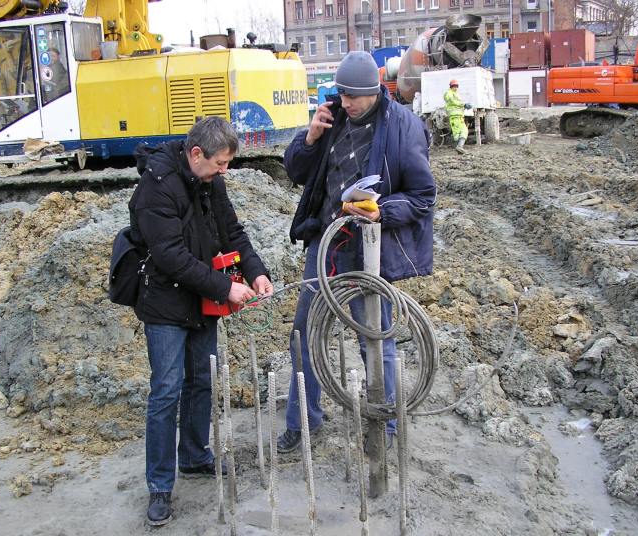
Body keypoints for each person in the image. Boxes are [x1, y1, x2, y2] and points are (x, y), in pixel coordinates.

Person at [277, 51, 436, 454]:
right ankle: (303, 421)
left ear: (375, 92)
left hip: (370, 247)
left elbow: (422, 196)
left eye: (355, 97)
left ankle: (385, 422)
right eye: (342, 94)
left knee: (375, 335)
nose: (346, 103)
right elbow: (296, 172)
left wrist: (381, 210)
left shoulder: (403, 126)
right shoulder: (330, 118)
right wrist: (309, 138)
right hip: (326, 243)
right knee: (306, 333)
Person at [128, 116, 274, 526]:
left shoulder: (211, 181)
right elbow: (171, 255)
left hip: (201, 300)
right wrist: (225, 288)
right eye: (220, 163)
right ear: (196, 154)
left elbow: (232, 232)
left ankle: (194, 456)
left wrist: (256, 270)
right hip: (164, 304)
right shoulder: (156, 187)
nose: (224, 171)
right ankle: (159, 485)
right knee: (166, 389)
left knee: (202, 380)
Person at [444, 79, 471, 154]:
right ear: (451, 86)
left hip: (460, 116)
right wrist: (463, 104)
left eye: (456, 86)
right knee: (457, 133)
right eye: (454, 86)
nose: (455, 87)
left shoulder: (457, 94)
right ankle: (458, 147)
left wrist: (465, 106)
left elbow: (458, 103)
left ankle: (459, 147)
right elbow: (452, 101)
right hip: (454, 117)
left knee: (464, 131)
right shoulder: (448, 93)